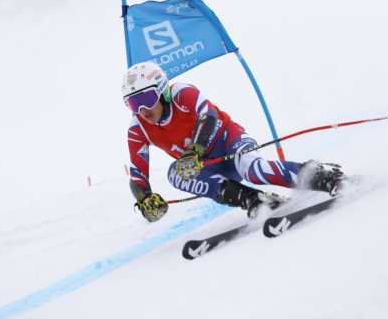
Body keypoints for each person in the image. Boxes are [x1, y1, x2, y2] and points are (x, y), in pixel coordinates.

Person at [123, 61, 344, 223]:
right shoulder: (137, 128)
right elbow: (137, 173)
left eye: (146, 99)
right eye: (133, 104)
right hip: (207, 165)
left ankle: (324, 176)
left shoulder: (181, 93)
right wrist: (145, 200)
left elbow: (209, 117)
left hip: (230, 143)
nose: (142, 110)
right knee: (175, 174)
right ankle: (254, 200)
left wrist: (194, 151)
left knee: (254, 170)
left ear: (162, 92)